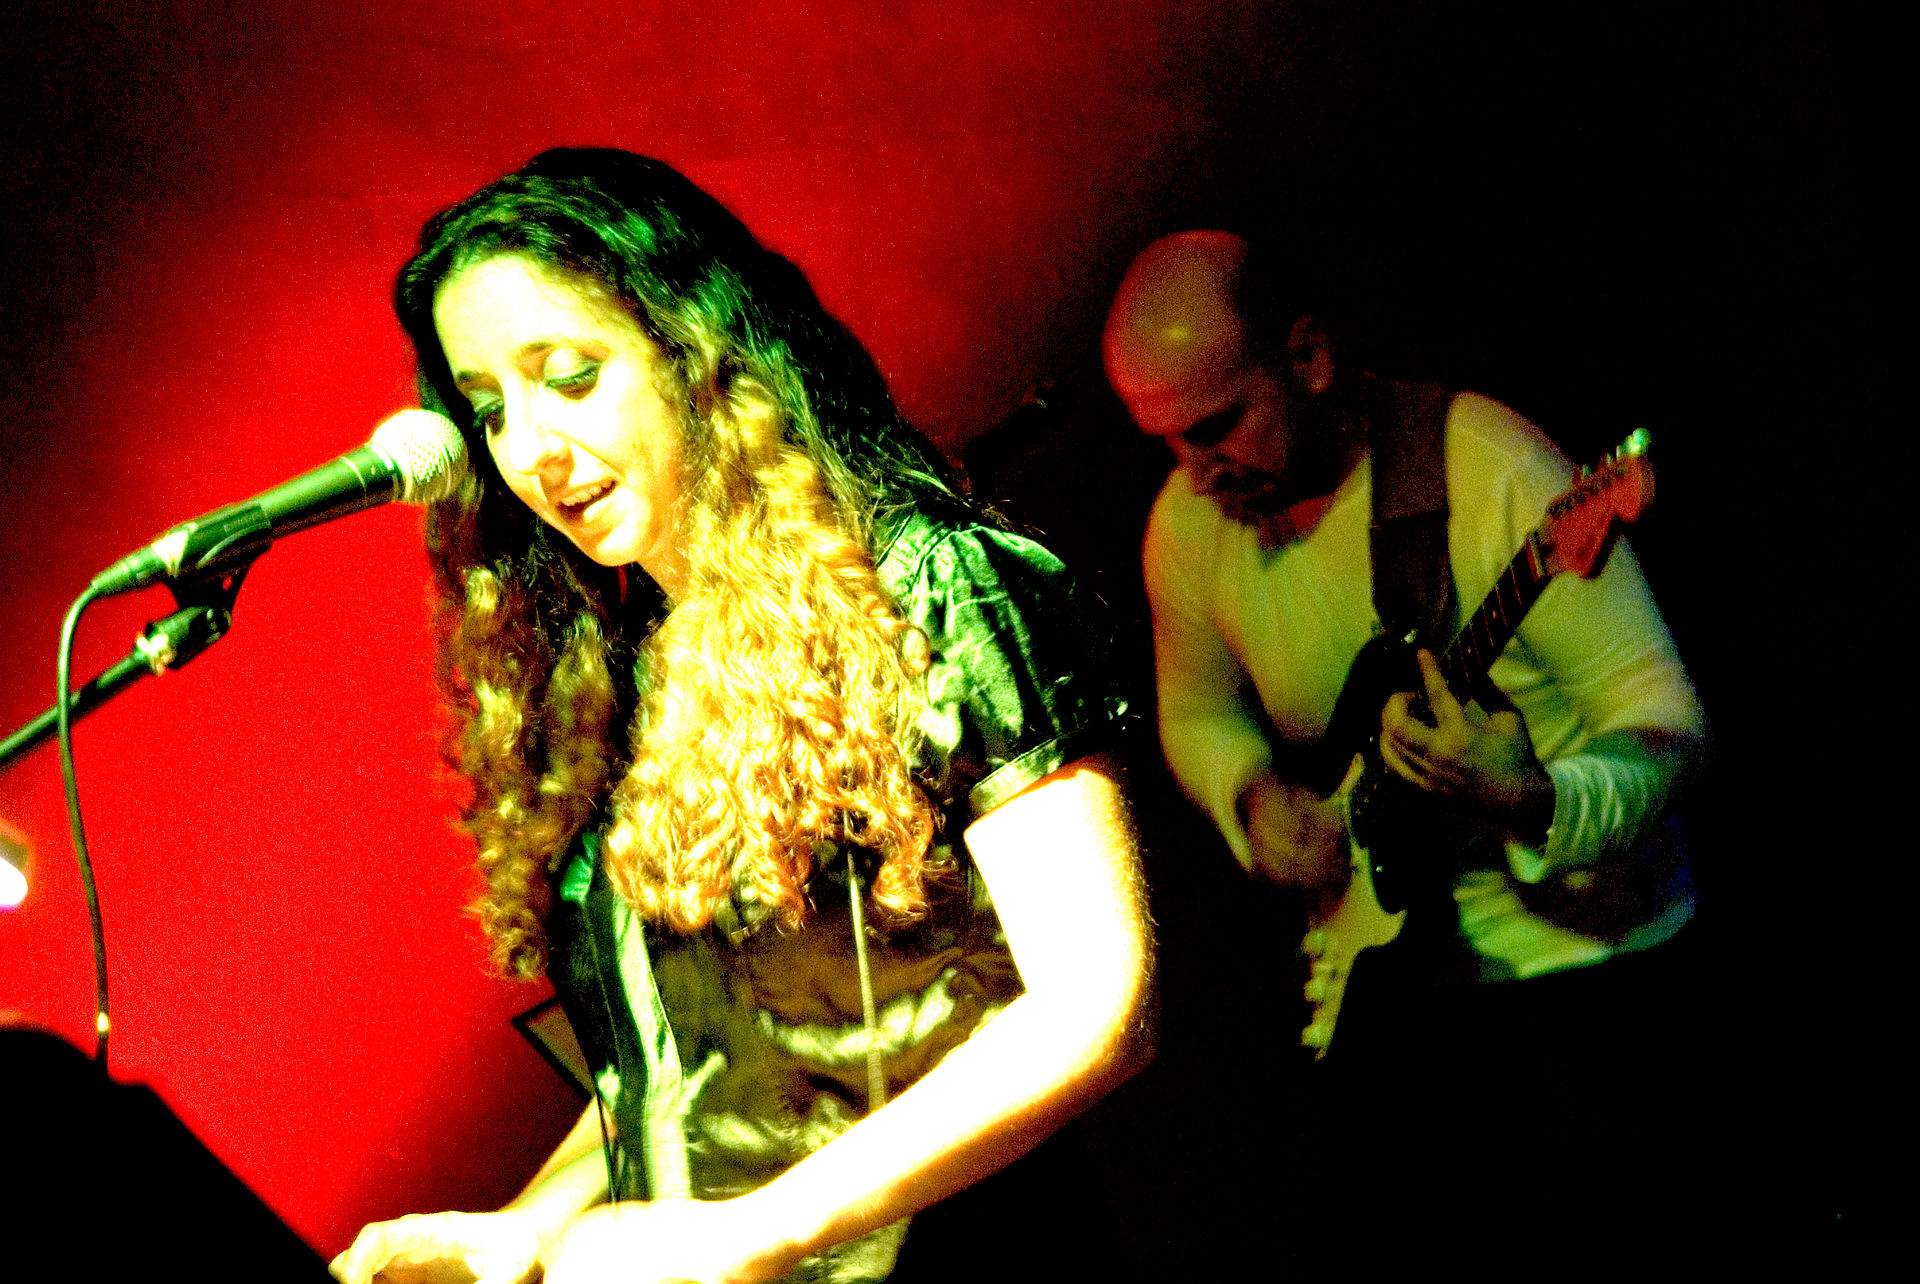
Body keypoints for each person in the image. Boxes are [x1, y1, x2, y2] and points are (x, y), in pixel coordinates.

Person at [332, 149, 1151, 1284]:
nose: (528, 450)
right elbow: (706, 1066)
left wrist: (755, 1232)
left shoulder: (933, 591)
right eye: (489, 410)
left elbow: (1094, 1003)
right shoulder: (627, 669)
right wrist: (530, 1223)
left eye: (569, 376)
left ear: (699, 356)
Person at [1103, 230, 1707, 1249]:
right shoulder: (1189, 525)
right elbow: (1197, 712)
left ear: (1308, 358)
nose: (1198, 474)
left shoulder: (1490, 469)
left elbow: (1673, 731)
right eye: (1168, 443)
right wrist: (1249, 793)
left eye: (1217, 427)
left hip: (1596, 982)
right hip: (1404, 997)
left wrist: (1537, 799)